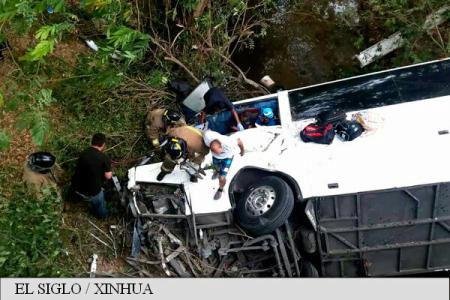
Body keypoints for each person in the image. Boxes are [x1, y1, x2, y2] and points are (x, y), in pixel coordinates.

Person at [71, 133, 112, 218]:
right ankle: (103, 216)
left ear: (91, 141)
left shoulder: (83, 153)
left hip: (77, 187)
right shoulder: (104, 158)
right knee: (100, 201)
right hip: (93, 191)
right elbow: (108, 176)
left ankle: (73, 200)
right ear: (103, 144)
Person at [203, 130, 244, 200]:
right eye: (214, 151)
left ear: (221, 146)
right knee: (216, 167)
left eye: (219, 151)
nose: (218, 153)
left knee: (222, 178)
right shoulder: (207, 139)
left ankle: (220, 189)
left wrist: (242, 151)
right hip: (215, 157)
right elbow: (206, 131)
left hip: (227, 156)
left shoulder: (229, 142)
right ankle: (217, 171)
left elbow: (239, 141)